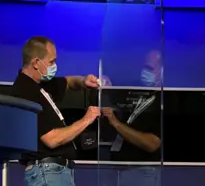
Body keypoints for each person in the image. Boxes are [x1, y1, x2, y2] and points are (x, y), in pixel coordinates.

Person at [11, 36, 100, 186]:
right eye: (51, 62)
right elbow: (52, 139)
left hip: (55, 173)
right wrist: (87, 119)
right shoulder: (25, 91)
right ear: (35, 63)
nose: (54, 65)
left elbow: (69, 82)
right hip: (47, 173)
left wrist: (84, 81)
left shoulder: (40, 84)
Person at [101, 49, 163, 186]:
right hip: (120, 169)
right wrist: (106, 83)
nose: (144, 71)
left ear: (162, 71)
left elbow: (152, 144)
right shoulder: (137, 91)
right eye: (143, 66)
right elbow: (114, 94)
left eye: (149, 68)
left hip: (142, 172)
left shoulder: (165, 100)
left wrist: (116, 123)